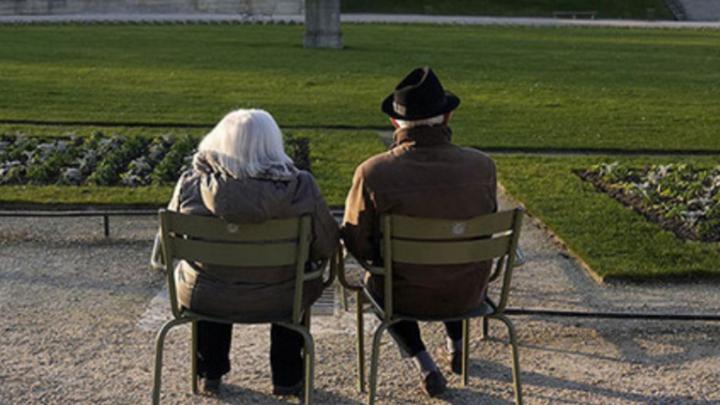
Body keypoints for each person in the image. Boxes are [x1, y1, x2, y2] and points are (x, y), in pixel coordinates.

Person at [342, 67, 498, 397]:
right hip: (469, 291)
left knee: (381, 278)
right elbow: (482, 231)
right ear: (448, 116)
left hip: (405, 294)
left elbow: (357, 242)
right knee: (453, 251)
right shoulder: (482, 166)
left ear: (395, 122)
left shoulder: (374, 173)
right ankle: (457, 346)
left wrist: (380, 253)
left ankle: (425, 364)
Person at [165, 109, 339, 396]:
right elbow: (326, 244)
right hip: (282, 296)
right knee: (294, 277)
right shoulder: (301, 186)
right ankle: (287, 378)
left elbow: (168, 244)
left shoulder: (191, 184)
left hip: (209, 296)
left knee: (211, 273)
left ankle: (209, 371)